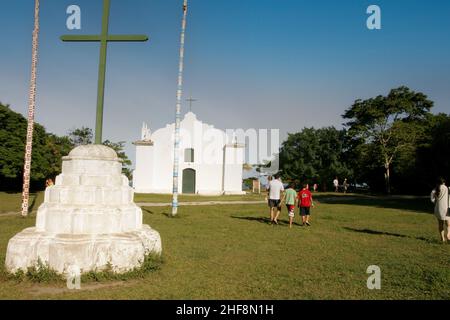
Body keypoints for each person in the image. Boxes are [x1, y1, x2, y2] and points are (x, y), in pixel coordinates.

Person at [430, 178, 450, 243]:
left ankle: (442, 239)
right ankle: (448, 235)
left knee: (440, 224)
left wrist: (436, 201)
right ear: (444, 182)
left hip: (438, 208)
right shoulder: (447, 188)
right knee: (448, 224)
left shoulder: (434, 190)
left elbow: (432, 200)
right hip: (447, 208)